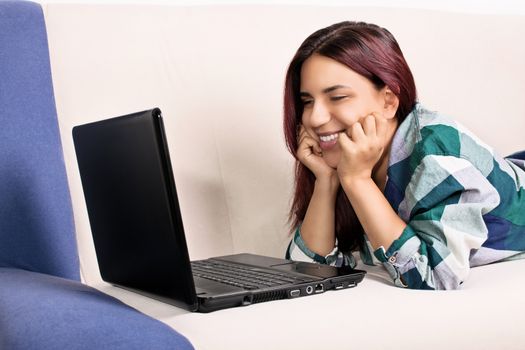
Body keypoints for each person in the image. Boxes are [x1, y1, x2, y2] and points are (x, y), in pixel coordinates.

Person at [283, 21, 525, 290]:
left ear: (388, 101)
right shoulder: (352, 158)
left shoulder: (435, 157)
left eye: (337, 97)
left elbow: (436, 276)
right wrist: (327, 181)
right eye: (307, 101)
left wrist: (357, 181)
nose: (314, 118)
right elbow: (305, 271)